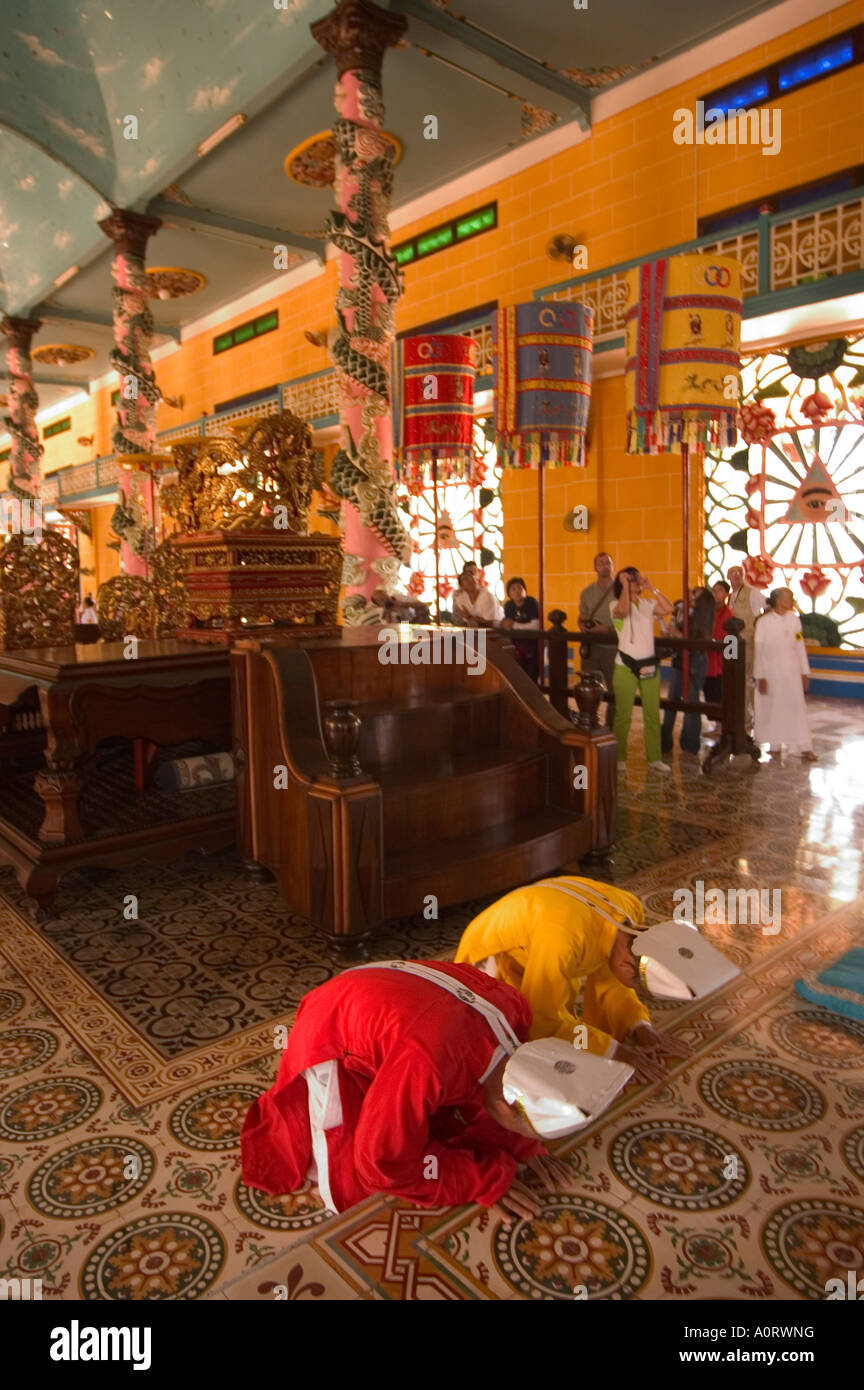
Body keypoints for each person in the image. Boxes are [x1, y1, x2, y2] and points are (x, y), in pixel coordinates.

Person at [241, 958, 626, 1223]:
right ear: (509, 1111)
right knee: (353, 1184)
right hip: (331, 1018)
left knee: (425, 1117)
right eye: (522, 1128)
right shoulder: (427, 1063)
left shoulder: (515, 1008)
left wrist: (524, 1145)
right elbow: (381, 1164)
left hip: (395, 998)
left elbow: (497, 1086)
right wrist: (483, 1179)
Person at [455, 876, 695, 1083]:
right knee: (509, 1039)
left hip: (546, 930)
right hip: (493, 951)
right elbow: (542, 1018)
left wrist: (639, 1025)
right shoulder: (564, 943)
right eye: (637, 987)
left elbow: (611, 981)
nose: (636, 990)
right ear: (628, 963)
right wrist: (616, 1052)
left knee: (566, 1016)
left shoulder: (630, 911)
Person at [610, 567, 674, 772]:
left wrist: (651, 588)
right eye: (631, 578)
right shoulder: (615, 604)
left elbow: (668, 607)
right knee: (623, 715)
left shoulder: (647, 604)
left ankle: (654, 758)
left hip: (648, 665)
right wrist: (625, 584)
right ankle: (619, 757)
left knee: (652, 714)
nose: (636, 580)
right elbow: (623, 611)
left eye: (636, 576)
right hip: (625, 667)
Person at [754, 588, 817, 761]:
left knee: (796, 708)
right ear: (779, 601)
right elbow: (759, 651)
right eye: (790, 597)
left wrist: (804, 672)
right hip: (770, 673)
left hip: (792, 673)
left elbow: (799, 646)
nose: (793, 599)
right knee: (773, 708)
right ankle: (774, 745)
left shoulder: (794, 620)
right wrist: (760, 676)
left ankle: (804, 746)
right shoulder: (763, 623)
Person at [661, 586, 715, 756]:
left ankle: (690, 743)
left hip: (695, 661)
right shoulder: (684, 611)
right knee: (672, 701)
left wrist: (676, 633)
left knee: (691, 702)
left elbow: (691, 640)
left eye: (695, 595)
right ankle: (665, 741)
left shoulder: (703, 618)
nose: (690, 596)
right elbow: (674, 632)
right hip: (679, 659)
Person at [578, 552, 617, 729]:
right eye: (601, 563)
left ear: (612, 566)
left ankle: (613, 728)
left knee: (615, 691)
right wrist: (583, 626)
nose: (605, 566)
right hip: (592, 647)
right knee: (589, 688)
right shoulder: (587, 593)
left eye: (608, 562)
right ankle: (590, 722)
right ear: (595, 568)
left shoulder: (621, 592)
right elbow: (581, 617)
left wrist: (605, 629)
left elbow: (629, 620)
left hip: (614, 648)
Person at [726, 565, 764, 734]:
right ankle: (738, 714)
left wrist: (756, 627)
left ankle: (750, 717)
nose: (736, 576)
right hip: (732, 642)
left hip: (747, 642)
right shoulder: (731, 596)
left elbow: (767, 606)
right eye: (732, 573)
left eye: (739, 573)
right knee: (734, 678)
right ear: (728, 576)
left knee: (747, 679)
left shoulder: (752, 593)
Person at [702, 581, 733, 732]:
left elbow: (729, 641)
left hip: (719, 662)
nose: (715, 594)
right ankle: (716, 725)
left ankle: (721, 726)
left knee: (718, 694)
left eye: (719, 590)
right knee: (709, 693)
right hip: (707, 660)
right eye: (713, 590)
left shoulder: (728, 614)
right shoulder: (709, 611)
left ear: (726, 594)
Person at [502, 576, 540, 681]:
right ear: (509, 593)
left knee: (532, 676)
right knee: (518, 675)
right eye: (513, 589)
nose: (517, 591)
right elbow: (507, 625)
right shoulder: (509, 605)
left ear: (525, 590)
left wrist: (515, 625)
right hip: (517, 645)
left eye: (520, 588)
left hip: (533, 645)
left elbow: (536, 625)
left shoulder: (531, 602)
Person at [452, 561, 503, 627]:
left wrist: (470, 617)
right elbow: (460, 619)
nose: (470, 580)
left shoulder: (487, 596)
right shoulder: (459, 598)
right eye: (466, 579)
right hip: (473, 632)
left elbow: (490, 623)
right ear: (462, 586)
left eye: (472, 575)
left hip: (494, 631)